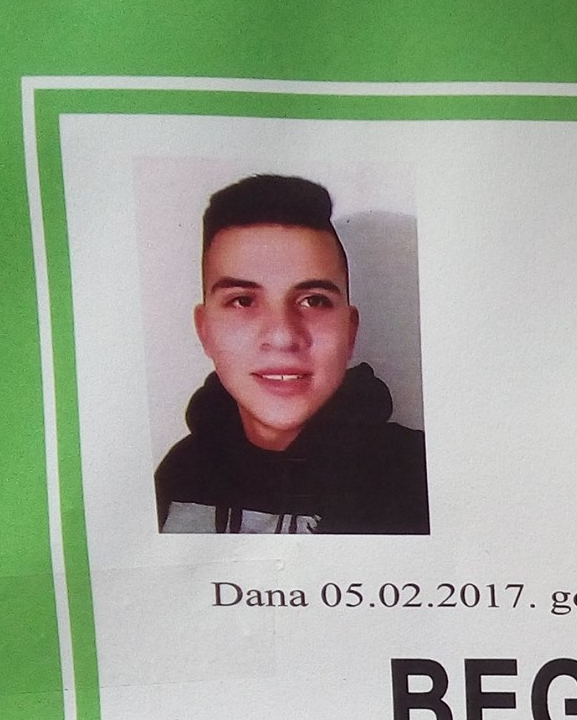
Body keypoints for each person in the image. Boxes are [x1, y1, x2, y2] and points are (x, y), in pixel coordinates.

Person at [155, 174, 429, 533]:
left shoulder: (422, 478)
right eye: (243, 301)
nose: (283, 336)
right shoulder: (177, 474)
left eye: (314, 301)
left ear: (350, 331)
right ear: (205, 331)